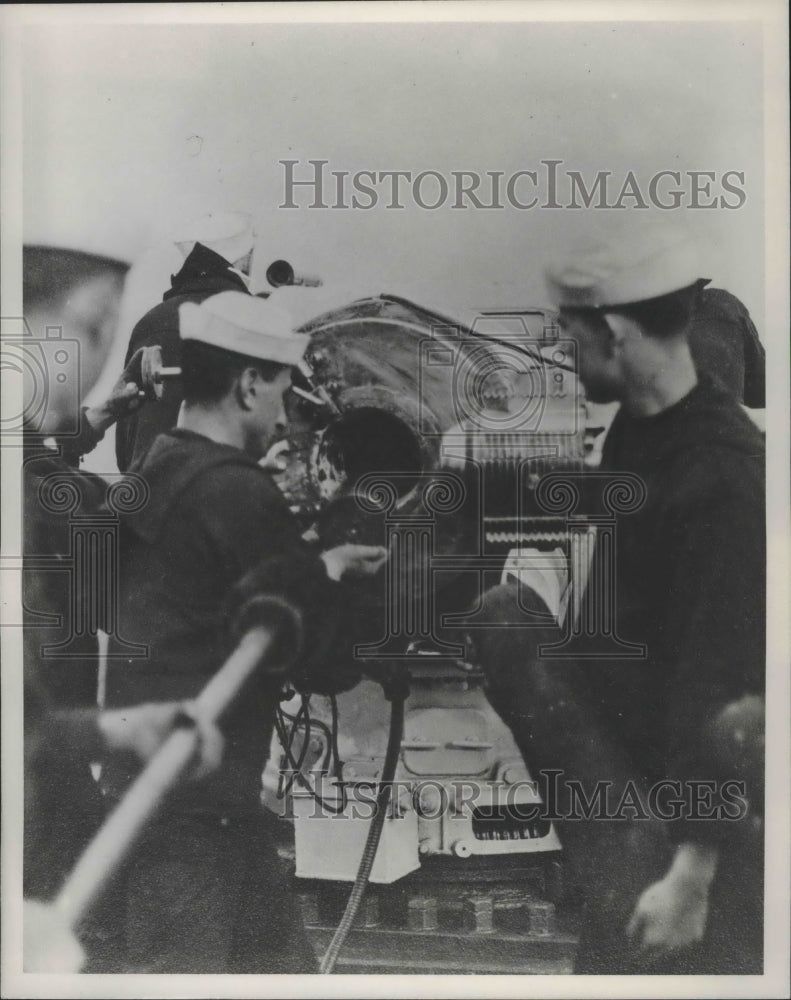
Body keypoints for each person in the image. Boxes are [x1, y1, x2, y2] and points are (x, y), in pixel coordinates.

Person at [474, 223, 765, 974]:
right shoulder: (640, 436)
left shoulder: (722, 476)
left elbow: (729, 693)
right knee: (502, 617)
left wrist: (690, 878)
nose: (564, 356)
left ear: (611, 331)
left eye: (570, 337)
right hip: (630, 797)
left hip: (693, 851)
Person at [103, 291, 387, 973]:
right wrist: (337, 576)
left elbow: (203, 597)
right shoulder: (240, 493)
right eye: (285, 389)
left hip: (188, 801)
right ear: (249, 383)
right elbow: (324, 664)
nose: (288, 412)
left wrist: (307, 564)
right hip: (194, 820)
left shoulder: (161, 465)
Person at [115, 211, 258, 472]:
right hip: (223, 487)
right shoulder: (251, 318)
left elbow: (127, 422)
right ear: (245, 256)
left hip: (143, 491)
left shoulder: (152, 320)